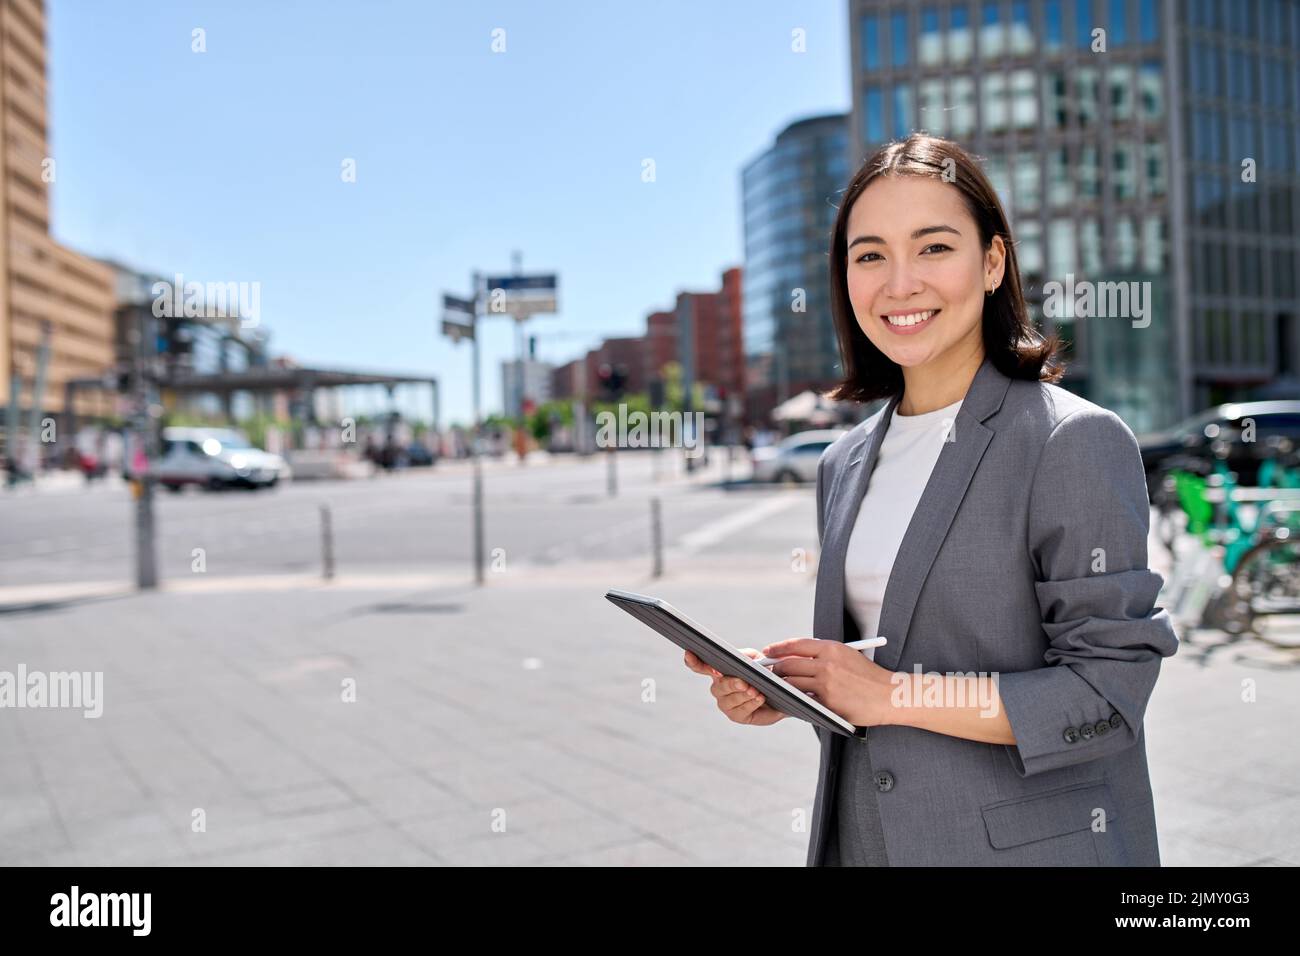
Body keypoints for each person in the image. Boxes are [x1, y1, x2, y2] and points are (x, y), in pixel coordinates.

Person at [684, 133, 1179, 866]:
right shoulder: (843, 461)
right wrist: (793, 691)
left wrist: (889, 697)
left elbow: (1104, 699)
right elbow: (886, 661)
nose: (899, 283)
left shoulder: (1068, 440)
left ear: (992, 263)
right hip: (864, 841)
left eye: (934, 247)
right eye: (870, 254)